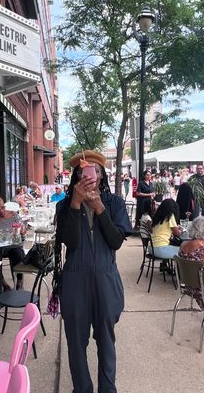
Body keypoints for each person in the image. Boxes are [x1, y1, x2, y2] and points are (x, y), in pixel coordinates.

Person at [55, 150, 132, 393]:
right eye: (83, 171)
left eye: (95, 171)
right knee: (76, 343)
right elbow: (72, 242)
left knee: (107, 341)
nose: (90, 175)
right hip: (75, 279)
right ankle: (82, 389)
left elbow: (116, 241)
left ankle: (108, 389)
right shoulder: (64, 205)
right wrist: (76, 204)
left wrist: (100, 208)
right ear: (76, 176)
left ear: (101, 176)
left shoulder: (114, 203)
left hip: (106, 277)